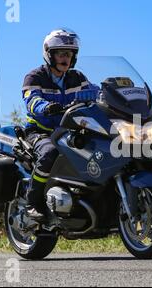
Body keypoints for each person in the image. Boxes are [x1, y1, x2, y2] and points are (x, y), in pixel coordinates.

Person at [22, 29, 99, 220]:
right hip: (41, 131)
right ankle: (32, 202)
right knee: (49, 153)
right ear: (50, 54)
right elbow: (30, 100)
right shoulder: (35, 77)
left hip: (69, 131)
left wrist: (113, 92)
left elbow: (98, 91)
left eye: (70, 53)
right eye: (61, 53)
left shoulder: (78, 78)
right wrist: (45, 107)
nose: (66, 57)